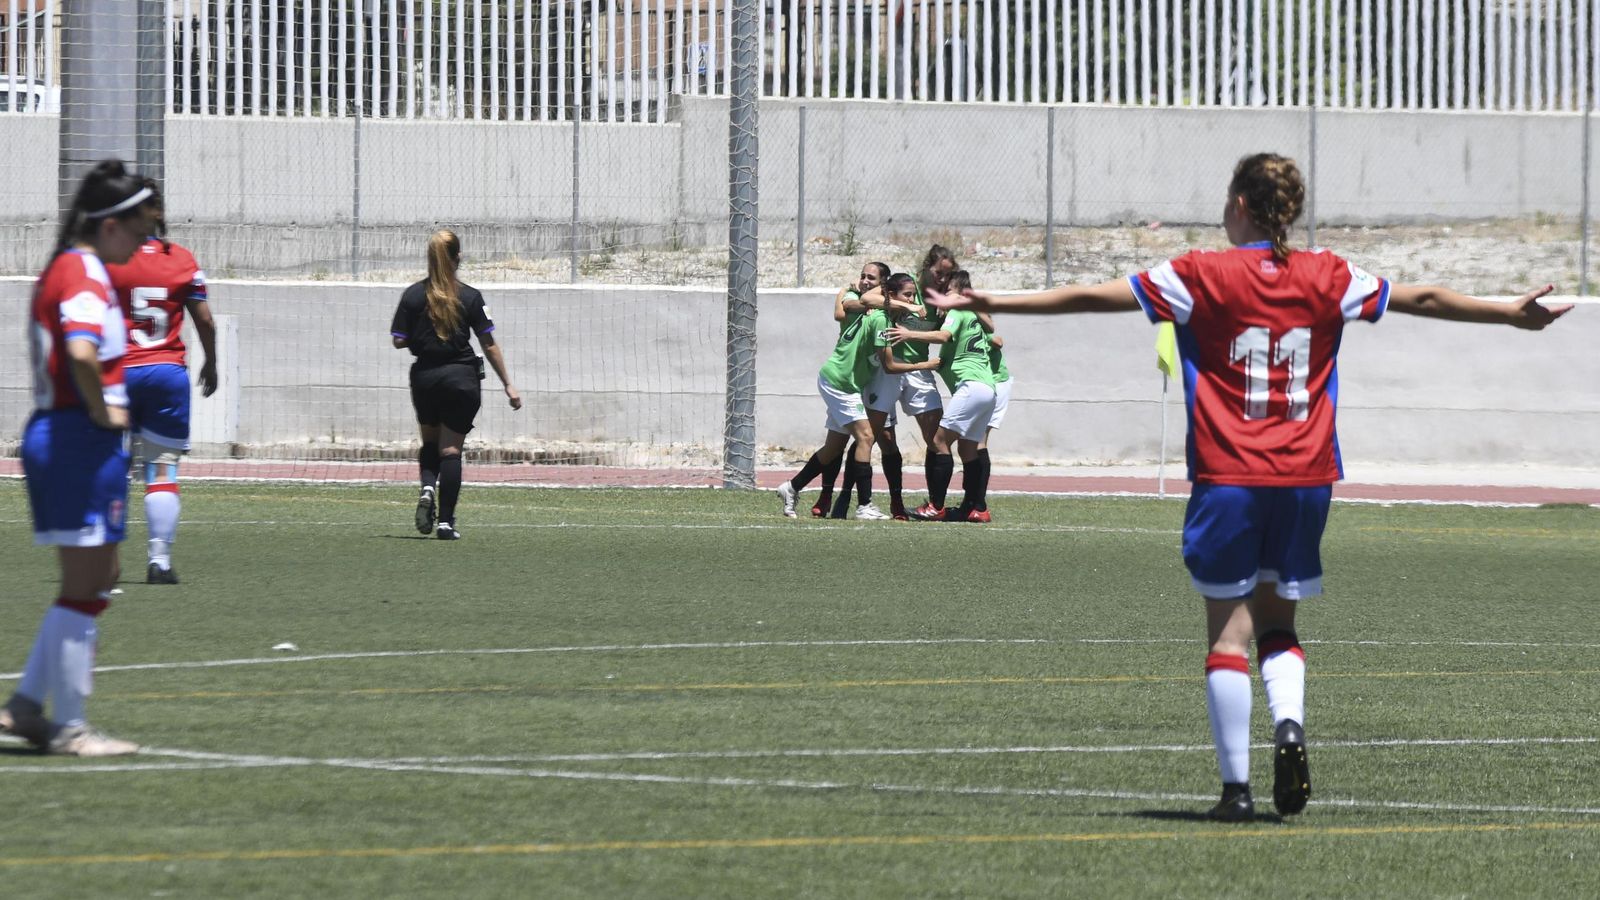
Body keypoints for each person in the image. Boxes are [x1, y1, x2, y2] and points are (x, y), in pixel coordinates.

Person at [925, 152, 1571, 821]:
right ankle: (1288, 725)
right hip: (1306, 476)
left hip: (1230, 474)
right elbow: (1425, 298)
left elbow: (1096, 296)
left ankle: (1236, 790)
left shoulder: (1199, 273)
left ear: (1239, 205)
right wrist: (1508, 313)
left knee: (1227, 634)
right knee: (1278, 624)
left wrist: (994, 299)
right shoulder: (1330, 273)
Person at [0, 159, 156, 756]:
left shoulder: (77, 269)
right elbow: (82, 352)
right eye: (140, 228)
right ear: (109, 224)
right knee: (83, 583)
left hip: (76, 441)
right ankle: (69, 726)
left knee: (101, 577)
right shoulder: (84, 275)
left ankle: (22, 708)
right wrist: (102, 411)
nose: (145, 241)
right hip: (74, 440)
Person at [106, 179, 218, 585]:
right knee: (162, 472)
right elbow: (203, 320)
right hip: (165, 373)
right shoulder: (181, 259)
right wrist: (212, 362)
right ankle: (160, 562)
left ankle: (104, 563)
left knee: (110, 470)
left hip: (115, 375)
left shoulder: (106, 259)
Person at [390, 230, 522, 540]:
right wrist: (508, 385)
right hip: (461, 379)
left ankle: (426, 488)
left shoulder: (412, 295)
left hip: (424, 379)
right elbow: (488, 344)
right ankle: (446, 523)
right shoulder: (470, 297)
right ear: (457, 257)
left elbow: (398, 340)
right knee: (451, 449)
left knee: (430, 444)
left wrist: (419, 334)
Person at [777, 273, 940, 520]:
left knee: (834, 447)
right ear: (892, 296)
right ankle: (864, 505)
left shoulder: (882, 315)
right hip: (840, 382)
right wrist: (927, 365)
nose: (913, 299)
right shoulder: (881, 320)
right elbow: (889, 366)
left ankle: (791, 488)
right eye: (907, 295)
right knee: (866, 436)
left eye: (914, 295)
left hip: (844, 382)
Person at [887, 274, 998, 523]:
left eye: (948, 291)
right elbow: (992, 331)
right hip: (987, 389)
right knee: (968, 447)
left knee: (938, 440)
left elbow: (943, 337)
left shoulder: (958, 311)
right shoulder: (974, 316)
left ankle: (936, 506)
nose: (943, 296)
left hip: (971, 386)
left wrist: (908, 334)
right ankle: (976, 508)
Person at [811, 261, 891, 518]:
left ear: (884, 284)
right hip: (845, 382)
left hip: (866, 381)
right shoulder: (857, 298)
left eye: (872, 278)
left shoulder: (882, 306)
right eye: (863, 276)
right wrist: (851, 293)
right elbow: (843, 310)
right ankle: (855, 503)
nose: (865, 280)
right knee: (864, 438)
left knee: (843, 442)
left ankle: (794, 488)